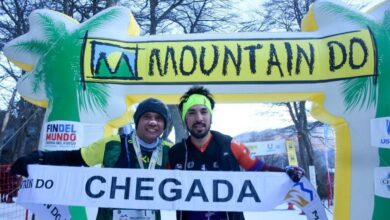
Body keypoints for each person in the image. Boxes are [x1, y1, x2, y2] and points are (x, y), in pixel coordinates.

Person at [11, 98, 171, 220]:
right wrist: (41, 157)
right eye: (147, 117)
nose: (152, 122)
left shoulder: (170, 150)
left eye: (159, 118)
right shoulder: (113, 144)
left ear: (164, 125)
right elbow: (75, 158)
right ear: (137, 121)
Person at [169, 86, 305, 220]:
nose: (199, 118)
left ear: (211, 117)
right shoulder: (175, 153)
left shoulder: (230, 145)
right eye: (191, 112)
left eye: (204, 111)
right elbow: (155, 184)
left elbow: (262, 170)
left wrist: (285, 172)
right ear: (184, 119)